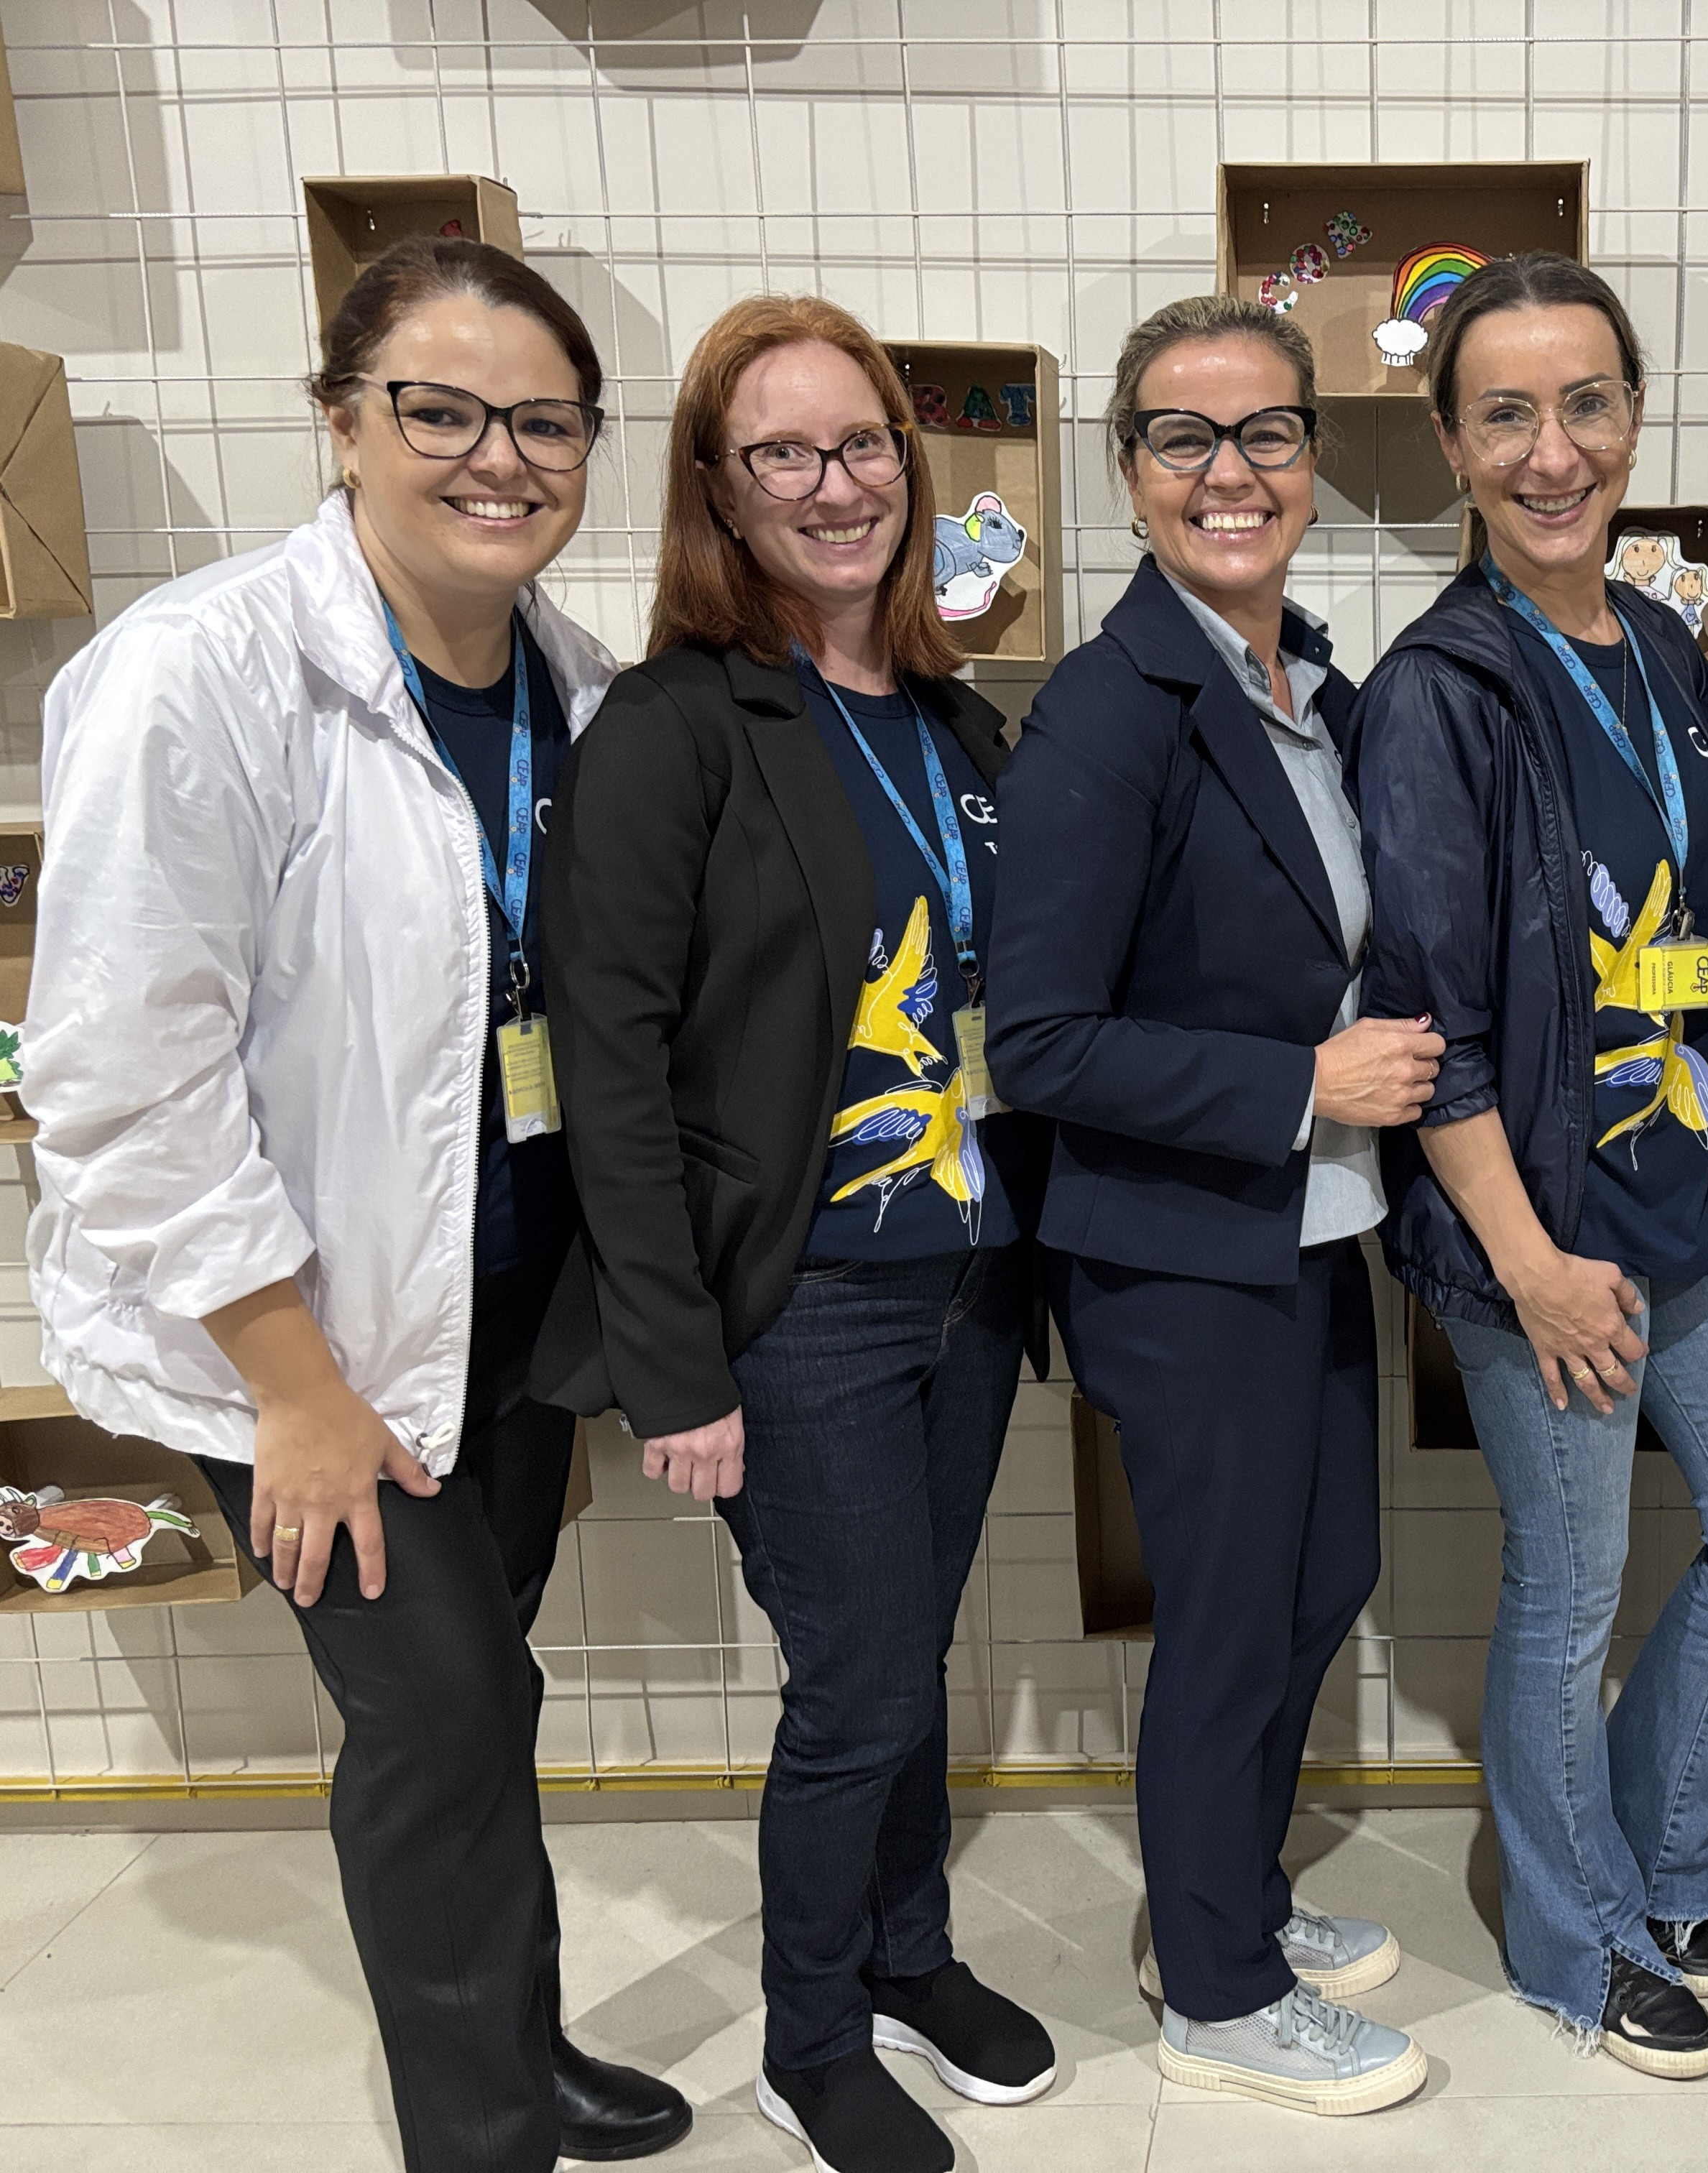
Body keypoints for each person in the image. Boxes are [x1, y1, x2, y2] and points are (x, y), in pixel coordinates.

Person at [22, 236, 690, 2173]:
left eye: (545, 420)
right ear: (342, 422)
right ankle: (479, 2134)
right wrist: (294, 1391)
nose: (502, 457)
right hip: (300, 1343)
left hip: (498, 1311)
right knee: (441, 1715)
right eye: (442, 410)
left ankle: (522, 2050)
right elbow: (120, 1076)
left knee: (487, 1694)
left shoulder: (577, 688)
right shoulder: (198, 673)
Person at [532, 294, 1055, 2173]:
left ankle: (908, 1955)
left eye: (862, 445)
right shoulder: (676, 728)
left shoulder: (958, 721)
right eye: (784, 453)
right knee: (860, 1682)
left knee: (905, 1654)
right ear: (720, 488)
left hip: (968, 1279)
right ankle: (811, 2035)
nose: (836, 486)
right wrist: (673, 1361)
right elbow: (610, 1064)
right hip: (803, 1297)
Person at [1352, 251, 1708, 2080]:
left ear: (1636, 417)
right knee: (1567, 1601)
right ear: (1451, 444)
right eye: (1506, 415)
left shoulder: (1660, 645)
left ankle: (1652, 1846)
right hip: (1542, 1233)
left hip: (1686, 1194)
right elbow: (1433, 1022)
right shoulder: (1440, 692)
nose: (1551, 452)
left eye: (1586, 406)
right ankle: (1579, 1940)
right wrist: (1531, 1263)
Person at [985, 295, 1439, 2118]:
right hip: (1178, 1248)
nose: (1229, 471)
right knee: (1236, 1616)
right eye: (1185, 438)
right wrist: (1299, 1088)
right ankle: (1222, 1995)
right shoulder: (1112, 715)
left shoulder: (1301, 685)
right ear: (1128, 471)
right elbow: (1042, 1041)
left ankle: (1224, 1896)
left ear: (1314, 461)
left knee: (1324, 1577)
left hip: (1306, 1229)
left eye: (1267, 435)